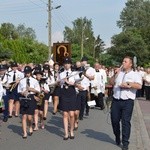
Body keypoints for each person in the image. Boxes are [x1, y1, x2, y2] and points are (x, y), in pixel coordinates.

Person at [110, 56, 142, 150]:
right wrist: (115, 74)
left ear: (130, 64)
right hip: (116, 100)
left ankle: (125, 142)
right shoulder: (119, 73)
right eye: (123, 61)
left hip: (128, 101)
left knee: (125, 121)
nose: (123, 63)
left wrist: (129, 84)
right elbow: (111, 82)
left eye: (125, 61)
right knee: (114, 120)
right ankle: (117, 135)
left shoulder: (135, 74)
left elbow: (139, 86)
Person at [18, 66, 40, 139]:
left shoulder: (34, 81)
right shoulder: (22, 81)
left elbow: (38, 90)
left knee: (30, 117)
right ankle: (24, 133)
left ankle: (30, 126)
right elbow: (19, 90)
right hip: (24, 98)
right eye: (26, 72)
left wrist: (32, 89)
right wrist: (23, 93)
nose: (27, 74)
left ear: (30, 72)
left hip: (31, 97)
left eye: (28, 72)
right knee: (24, 116)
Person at [59, 57, 77, 140]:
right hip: (64, 93)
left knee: (72, 114)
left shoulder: (74, 73)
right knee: (65, 114)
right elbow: (59, 83)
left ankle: (71, 130)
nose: (66, 65)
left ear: (70, 64)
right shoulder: (61, 74)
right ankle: (66, 133)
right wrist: (62, 81)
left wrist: (69, 82)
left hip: (72, 92)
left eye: (68, 63)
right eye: (65, 63)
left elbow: (76, 83)